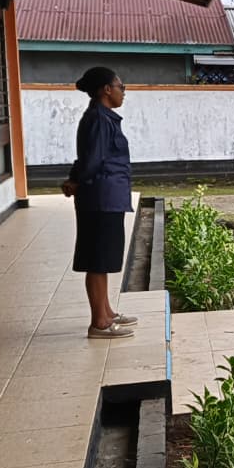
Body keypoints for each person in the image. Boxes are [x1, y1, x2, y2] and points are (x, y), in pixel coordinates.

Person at [61, 67, 137, 339]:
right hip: (99, 198)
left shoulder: (103, 118)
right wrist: (77, 181)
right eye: (120, 85)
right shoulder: (97, 119)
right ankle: (99, 323)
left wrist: (75, 178)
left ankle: (106, 311)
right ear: (107, 89)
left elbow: (89, 158)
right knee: (97, 259)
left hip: (108, 196)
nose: (123, 91)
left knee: (103, 258)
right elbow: (92, 161)